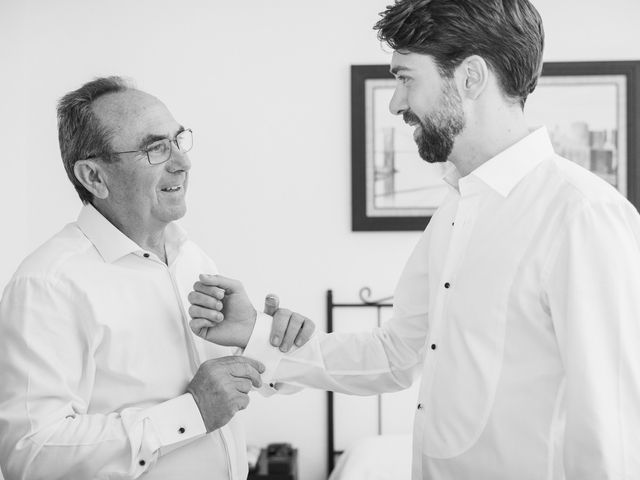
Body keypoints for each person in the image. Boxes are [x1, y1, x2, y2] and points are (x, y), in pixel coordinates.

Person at [187, 0, 640, 479]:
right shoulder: (455, 209)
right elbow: (396, 353)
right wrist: (255, 333)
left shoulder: (582, 215)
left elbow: (611, 429)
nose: (395, 103)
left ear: (470, 77)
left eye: (406, 78)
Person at [0, 76, 314, 480]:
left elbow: (217, 384)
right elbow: (30, 455)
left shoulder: (192, 258)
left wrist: (262, 340)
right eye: (155, 148)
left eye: (178, 139)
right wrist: (191, 413)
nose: (182, 162)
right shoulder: (48, 284)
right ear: (94, 177)